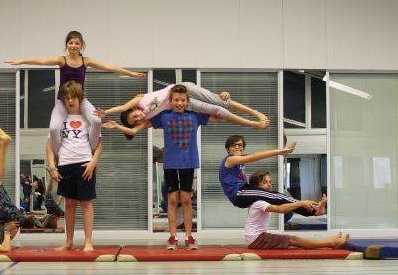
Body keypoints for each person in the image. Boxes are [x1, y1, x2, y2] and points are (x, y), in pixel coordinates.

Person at [5, 30, 145, 153]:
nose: (73, 46)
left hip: (81, 99)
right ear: (66, 45)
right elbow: (43, 60)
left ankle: (89, 148)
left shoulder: (85, 61)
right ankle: (60, 151)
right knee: (54, 128)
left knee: (96, 121)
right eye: (71, 43)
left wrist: (131, 73)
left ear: (81, 45)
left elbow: (109, 67)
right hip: (63, 100)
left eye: (77, 43)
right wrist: (22, 60)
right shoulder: (62, 60)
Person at [150, 84, 214, 250]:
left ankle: (189, 236)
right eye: (176, 100)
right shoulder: (163, 116)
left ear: (187, 101)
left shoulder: (195, 116)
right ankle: (172, 237)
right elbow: (144, 119)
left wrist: (223, 98)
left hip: (189, 161)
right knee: (172, 200)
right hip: (170, 163)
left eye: (182, 100)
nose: (179, 103)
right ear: (170, 101)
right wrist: (140, 101)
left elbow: (218, 114)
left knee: (186, 200)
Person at [95, 82, 269, 139]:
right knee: (218, 111)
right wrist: (117, 126)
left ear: (134, 109)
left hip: (183, 88)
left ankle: (254, 112)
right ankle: (254, 124)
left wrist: (107, 112)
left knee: (220, 100)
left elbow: (123, 107)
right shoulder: (148, 119)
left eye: (135, 116)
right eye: (137, 120)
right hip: (183, 103)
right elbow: (132, 130)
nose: (139, 118)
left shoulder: (140, 99)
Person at [45, 81, 102, 252]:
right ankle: (69, 241)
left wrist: (93, 162)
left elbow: (99, 144)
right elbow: (49, 146)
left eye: (74, 97)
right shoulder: (60, 120)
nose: (70, 101)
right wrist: (52, 167)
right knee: (69, 204)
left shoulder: (88, 119)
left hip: (84, 164)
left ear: (80, 99)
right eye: (67, 98)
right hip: (65, 164)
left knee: (86, 203)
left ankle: (88, 241)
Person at [219, 135, 324, 216]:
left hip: (244, 190)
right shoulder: (230, 159)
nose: (237, 147)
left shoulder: (239, 159)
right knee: (276, 196)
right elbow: (254, 157)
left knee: (277, 197)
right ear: (228, 149)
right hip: (239, 194)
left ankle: (313, 211)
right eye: (233, 145)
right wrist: (280, 151)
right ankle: (312, 208)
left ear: (243, 148)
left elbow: (256, 154)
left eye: (240, 145)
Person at [245, 170, 349, 250]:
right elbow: (280, 209)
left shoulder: (267, 199)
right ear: (256, 187)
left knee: (292, 237)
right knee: (292, 239)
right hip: (256, 239)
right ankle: (332, 243)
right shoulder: (258, 201)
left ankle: (330, 240)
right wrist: (301, 202)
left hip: (257, 238)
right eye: (264, 182)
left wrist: (319, 207)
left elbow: (313, 211)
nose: (269, 184)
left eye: (269, 182)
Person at [0, 128, 22, 252]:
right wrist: (7, 231)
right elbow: (5, 248)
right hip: (10, 217)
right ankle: (4, 144)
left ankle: (4, 144)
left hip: (9, 217)